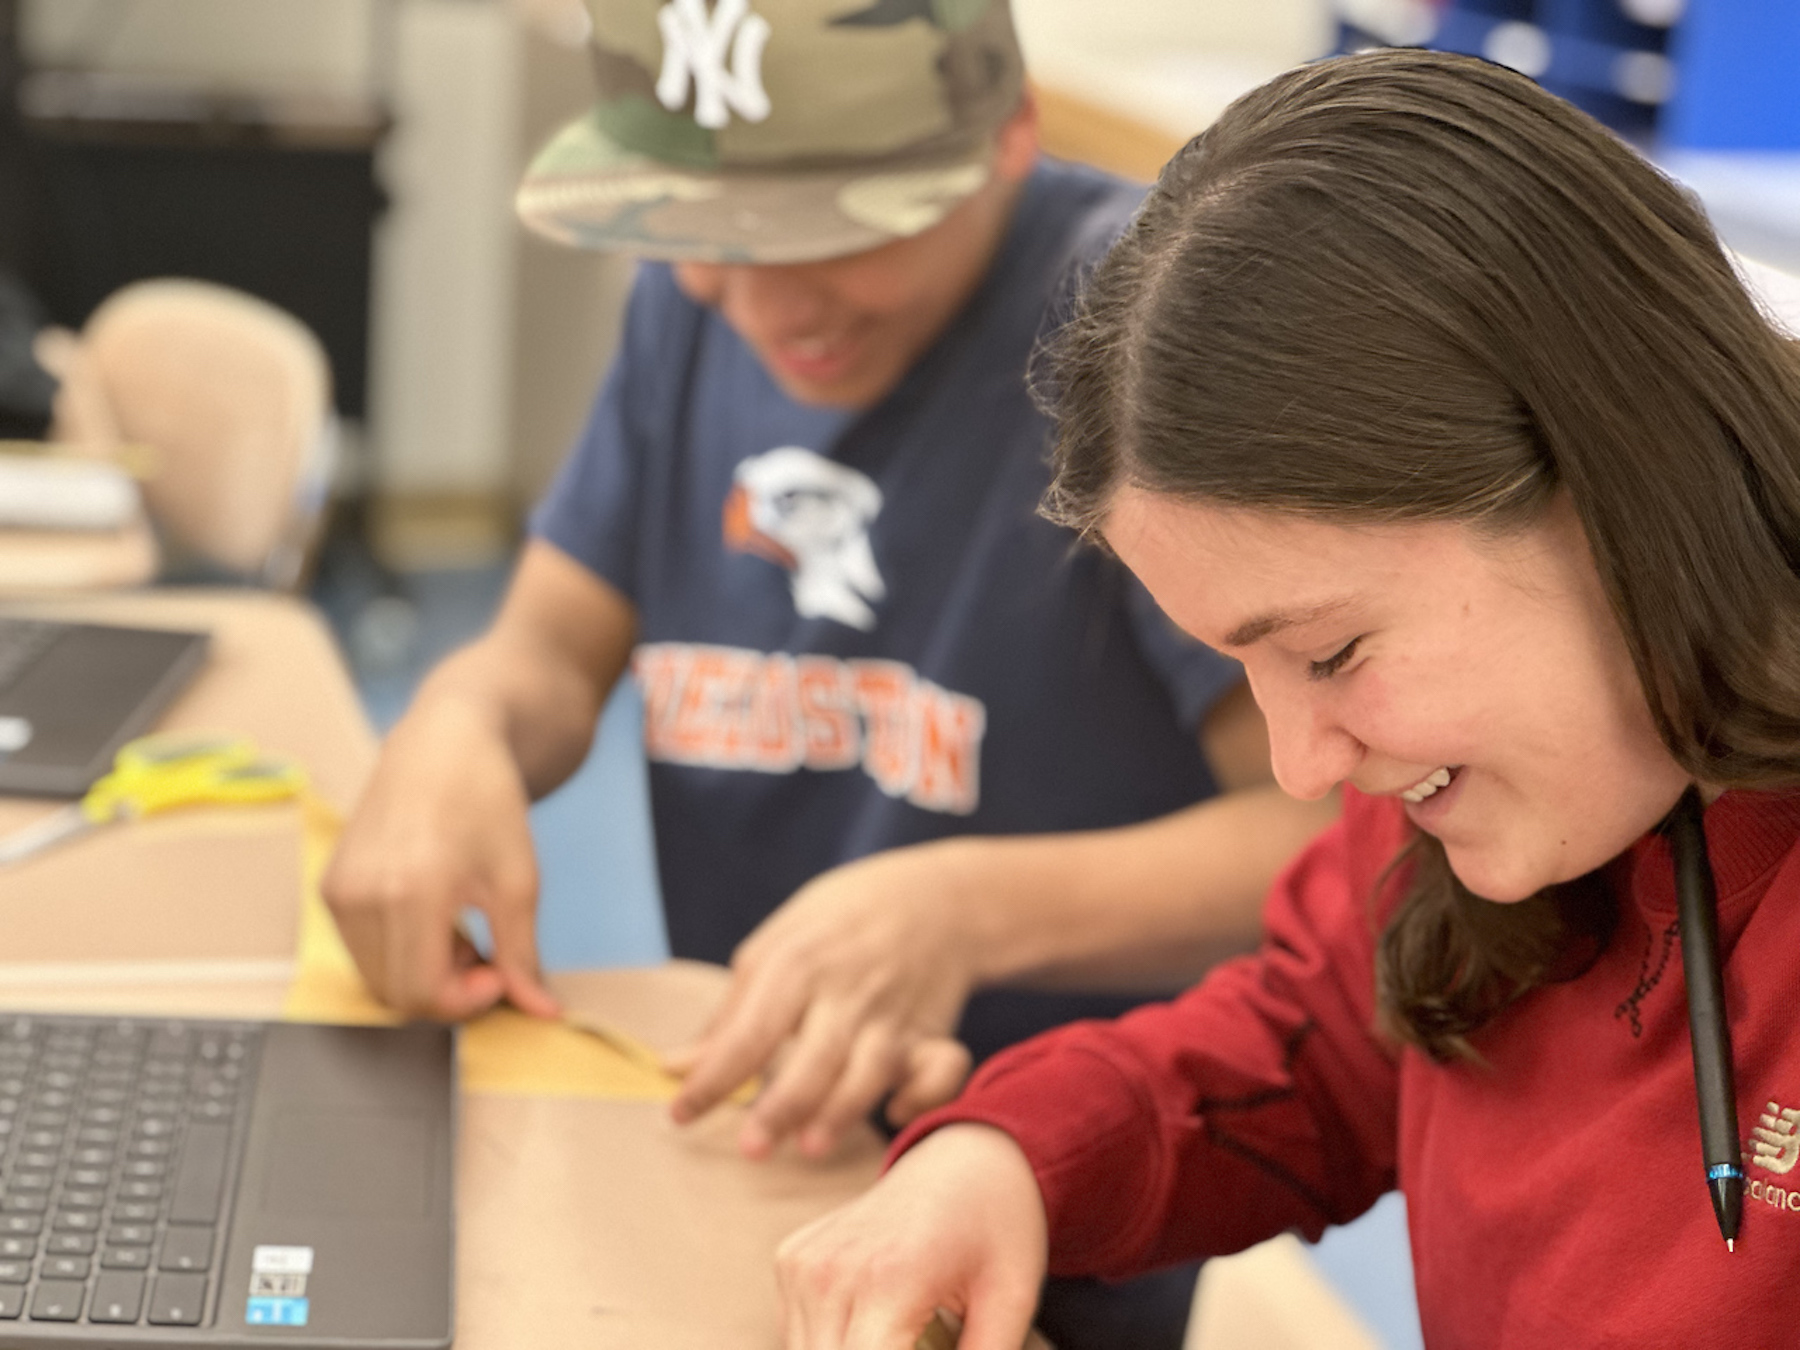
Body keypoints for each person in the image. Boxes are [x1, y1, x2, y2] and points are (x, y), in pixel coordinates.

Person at [323, 1, 1335, 1344]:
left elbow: (1332, 835)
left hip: (1045, 1208)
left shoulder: (1140, 337)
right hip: (766, 1145)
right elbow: (547, 654)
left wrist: (966, 908)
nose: (765, 302)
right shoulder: (690, 313)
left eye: (836, 231)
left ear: (1005, 136)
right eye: (708, 235)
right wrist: (455, 724)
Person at [773, 47, 1800, 1350]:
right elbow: (1311, 1039)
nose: (1305, 764)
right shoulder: (1518, 778)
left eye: (1330, 651)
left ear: (1615, 484)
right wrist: (1006, 1160)